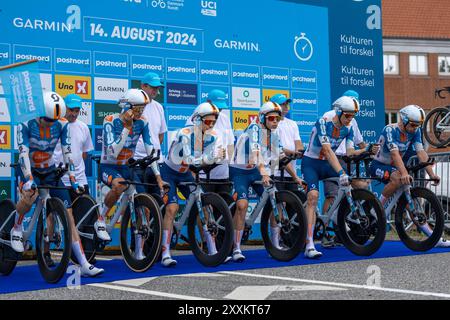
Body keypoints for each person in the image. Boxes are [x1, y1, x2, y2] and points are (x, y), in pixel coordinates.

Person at [14, 91, 104, 277]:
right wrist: (29, 179)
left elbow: (67, 152)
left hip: (49, 170)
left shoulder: (61, 124)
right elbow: (23, 155)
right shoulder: (25, 124)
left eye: (54, 120)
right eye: (48, 120)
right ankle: (16, 227)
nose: (51, 124)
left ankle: (84, 264)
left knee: (68, 216)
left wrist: (72, 177)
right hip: (29, 167)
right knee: (29, 197)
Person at [95, 89, 165, 260]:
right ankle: (101, 219)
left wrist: (158, 176)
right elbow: (113, 153)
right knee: (119, 186)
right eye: (138, 109)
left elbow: (150, 149)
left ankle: (139, 252)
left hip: (128, 168)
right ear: (127, 107)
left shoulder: (142, 122)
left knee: (145, 205)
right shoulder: (110, 120)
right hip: (108, 166)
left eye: (142, 109)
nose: (141, 113)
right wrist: (126, 128)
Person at [229, 101, 302, 262]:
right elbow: (256, 153)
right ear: (262, 118)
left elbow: (281, 158)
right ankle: (236, 248)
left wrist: (296, 177)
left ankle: (274, 246)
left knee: (274, 201)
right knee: (242, 205)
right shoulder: (255, 128)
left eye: (277, 118)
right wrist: (264, 173)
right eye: (271, 118)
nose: (275, 121)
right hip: (240, 170)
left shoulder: (274, 134)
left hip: (256, 170)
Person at [301, 96, 372, 259]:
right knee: (313, 196)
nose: (350, 119)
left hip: (327, 164)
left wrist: (366, 149)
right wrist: (341, 173)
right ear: (338, 112)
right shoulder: (323, 122)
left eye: (353, 116)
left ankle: (332, 221)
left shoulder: (348, 128)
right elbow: (327, 150)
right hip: (311, 163)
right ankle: (309, 244)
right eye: (347, 116)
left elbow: (349, 153)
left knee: (356, 184)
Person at [369, 105, 449, 248]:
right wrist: (405, 173)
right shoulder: (390, 129)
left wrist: (432, 173)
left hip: (395, 167)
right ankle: (376, 209)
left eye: (417, 125)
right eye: (412, 124)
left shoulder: (415, 131)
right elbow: (394, 154)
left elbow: (421, 153)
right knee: (399, 177)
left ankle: (434, 238)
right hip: (378, 165)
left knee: (411, 203)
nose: (414, 128)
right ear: (404, 120)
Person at [160, 102, 224, 267]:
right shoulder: (185, 133)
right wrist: (211, 158)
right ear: (197, 120)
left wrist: (215, 158)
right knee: (172, 208)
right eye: (208, 122)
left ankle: (212, 249)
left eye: (213, 122)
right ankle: (165, 252)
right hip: (169, 172)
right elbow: (191, 160)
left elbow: (207, 160)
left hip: (186, 173)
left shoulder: (213, 136)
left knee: (204, 207)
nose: (211, 125)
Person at [321, 90, 379, 247]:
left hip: (349, 158)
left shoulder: (352, 120)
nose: (353, 108)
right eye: (352, 101)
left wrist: (371, 150)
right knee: (332, 196)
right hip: (332, 158)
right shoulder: (329, 115)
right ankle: (325, 232)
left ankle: (345, 231)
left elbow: (359, 143)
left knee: (355, 191)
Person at [185, 89, 235, 194]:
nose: (219, 110)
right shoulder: (194, 119)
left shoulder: (225, 118)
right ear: (208, 102)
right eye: (217, 106)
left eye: (221, 107)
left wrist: (230, 168)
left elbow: (230, 144)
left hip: (223, 174)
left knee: (223, 207)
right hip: (203, 174)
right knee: (205, 207)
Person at [53, 94, 94, 201]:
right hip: (59, 179)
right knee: (61, 214)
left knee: (85, 214)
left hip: (80, 179)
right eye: (71, 110)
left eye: (77, 110)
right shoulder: (54, 125)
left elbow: (84, 154)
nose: (74, 114)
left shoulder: (83, 127)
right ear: (64, 107)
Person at [135, 72, 167, 194]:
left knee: (157, 203)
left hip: (156, 162)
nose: (156, 90)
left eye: (157, 87)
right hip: (138, 162)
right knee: (142, 203)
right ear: (143, 86)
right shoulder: (134, 104)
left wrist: (151, 149)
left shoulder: (159, 107)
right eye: (153, 87)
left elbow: (161, 134)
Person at [270, 94, 304, 192]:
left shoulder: (292, 123)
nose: (286, 106)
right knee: (278, 204)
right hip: (275, 173)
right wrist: (292, 153)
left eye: (287, 104)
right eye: (283, 104)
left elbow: (298, 143)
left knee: (292, 204)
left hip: (291, 173)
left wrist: (298, 152)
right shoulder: (271, 124)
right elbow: (277, 148)